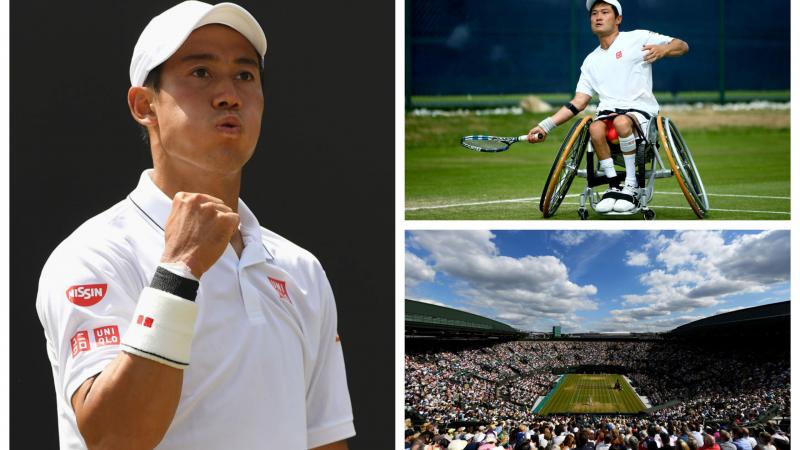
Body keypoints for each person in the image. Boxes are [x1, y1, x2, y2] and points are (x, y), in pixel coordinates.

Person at [35, 2, 355, 449]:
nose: (229, 94)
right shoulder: (94, 253)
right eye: (201, 73)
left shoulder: (301, 269)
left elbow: (324, 440)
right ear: (144, 105)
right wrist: (179, 271)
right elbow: (112, 438)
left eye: (245, 75)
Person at [528, 0, 689, 213]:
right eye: (594, 13)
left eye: (605, 12)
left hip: (640, 112)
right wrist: (545, 125)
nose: (598, 17)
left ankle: (631, 185)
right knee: (594, 128)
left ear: (618, 19)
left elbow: (682, 45)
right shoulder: (590, 61)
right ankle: (613, 186)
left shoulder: (637, 38)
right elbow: (578, 102)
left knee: (622, 122)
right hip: (607, 116)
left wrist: (664, 49)